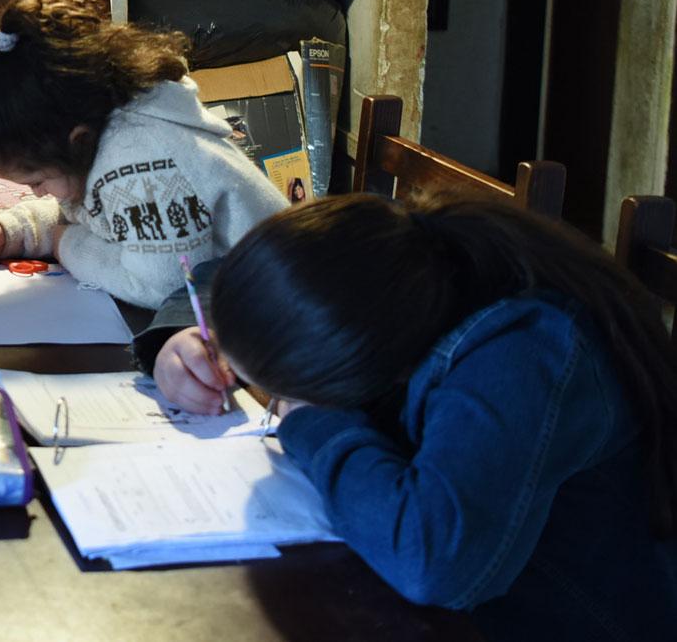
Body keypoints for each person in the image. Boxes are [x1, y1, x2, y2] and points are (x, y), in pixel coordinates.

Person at [148, 192, 677, 639]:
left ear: (357, 374)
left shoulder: (524, 350)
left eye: (272, 387)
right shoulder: (391, 262)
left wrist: (309, 419)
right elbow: (217, 271)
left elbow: (432, 562)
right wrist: (179, 340)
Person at [0, 0, 286, 309]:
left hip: (285, 321)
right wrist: (13, 231)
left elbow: (162, 286)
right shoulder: (105, 132)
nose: (39, 194)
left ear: (77, 140)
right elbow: (90, 213)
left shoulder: (143, 162)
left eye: (37, 181)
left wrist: (64, 244)